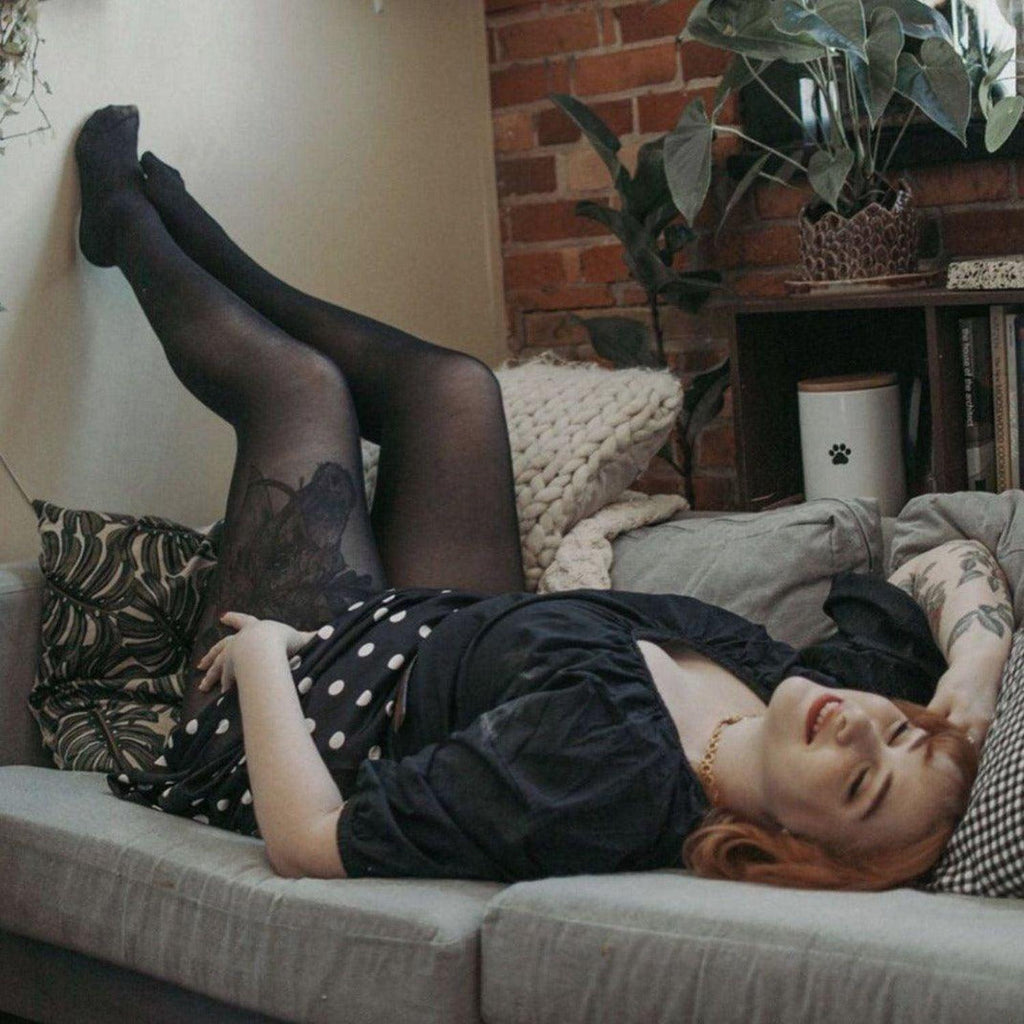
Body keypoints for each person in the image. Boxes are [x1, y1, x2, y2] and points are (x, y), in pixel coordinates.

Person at [74, 105, 1010, 891]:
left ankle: (124, 226)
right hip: (448, 629)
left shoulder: (603, 776)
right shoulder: (816, 692)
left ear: (792, 847)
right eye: (901, 732)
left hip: (318, 693)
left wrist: (263, 658)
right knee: (453, 391)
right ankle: (216, 258)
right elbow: (946, 557)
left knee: (302, 393)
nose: (864, 729)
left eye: (862, 786)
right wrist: (970, 678)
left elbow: (308, 840)